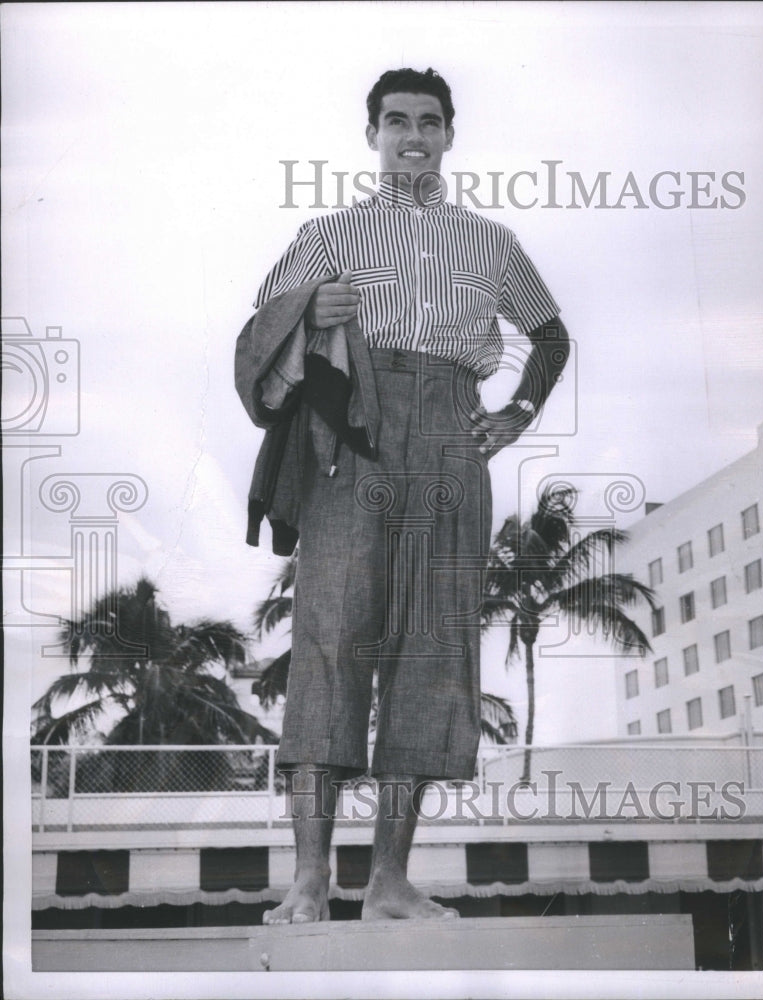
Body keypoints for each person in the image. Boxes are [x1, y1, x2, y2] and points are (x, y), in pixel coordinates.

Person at [236, 68, 569, 923]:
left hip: (454, 429)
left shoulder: (491, 243)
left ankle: (388, 880)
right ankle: (311, 879)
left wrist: (518, 411)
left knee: (431, 645)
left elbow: (550, 333)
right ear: (373, 135)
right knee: (331, 635)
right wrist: (313, 308)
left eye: (428, 121)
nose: (412, 135)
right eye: (395, 121)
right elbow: (258, 333)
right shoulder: (330, 231)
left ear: (450, 135)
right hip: (355, 433)